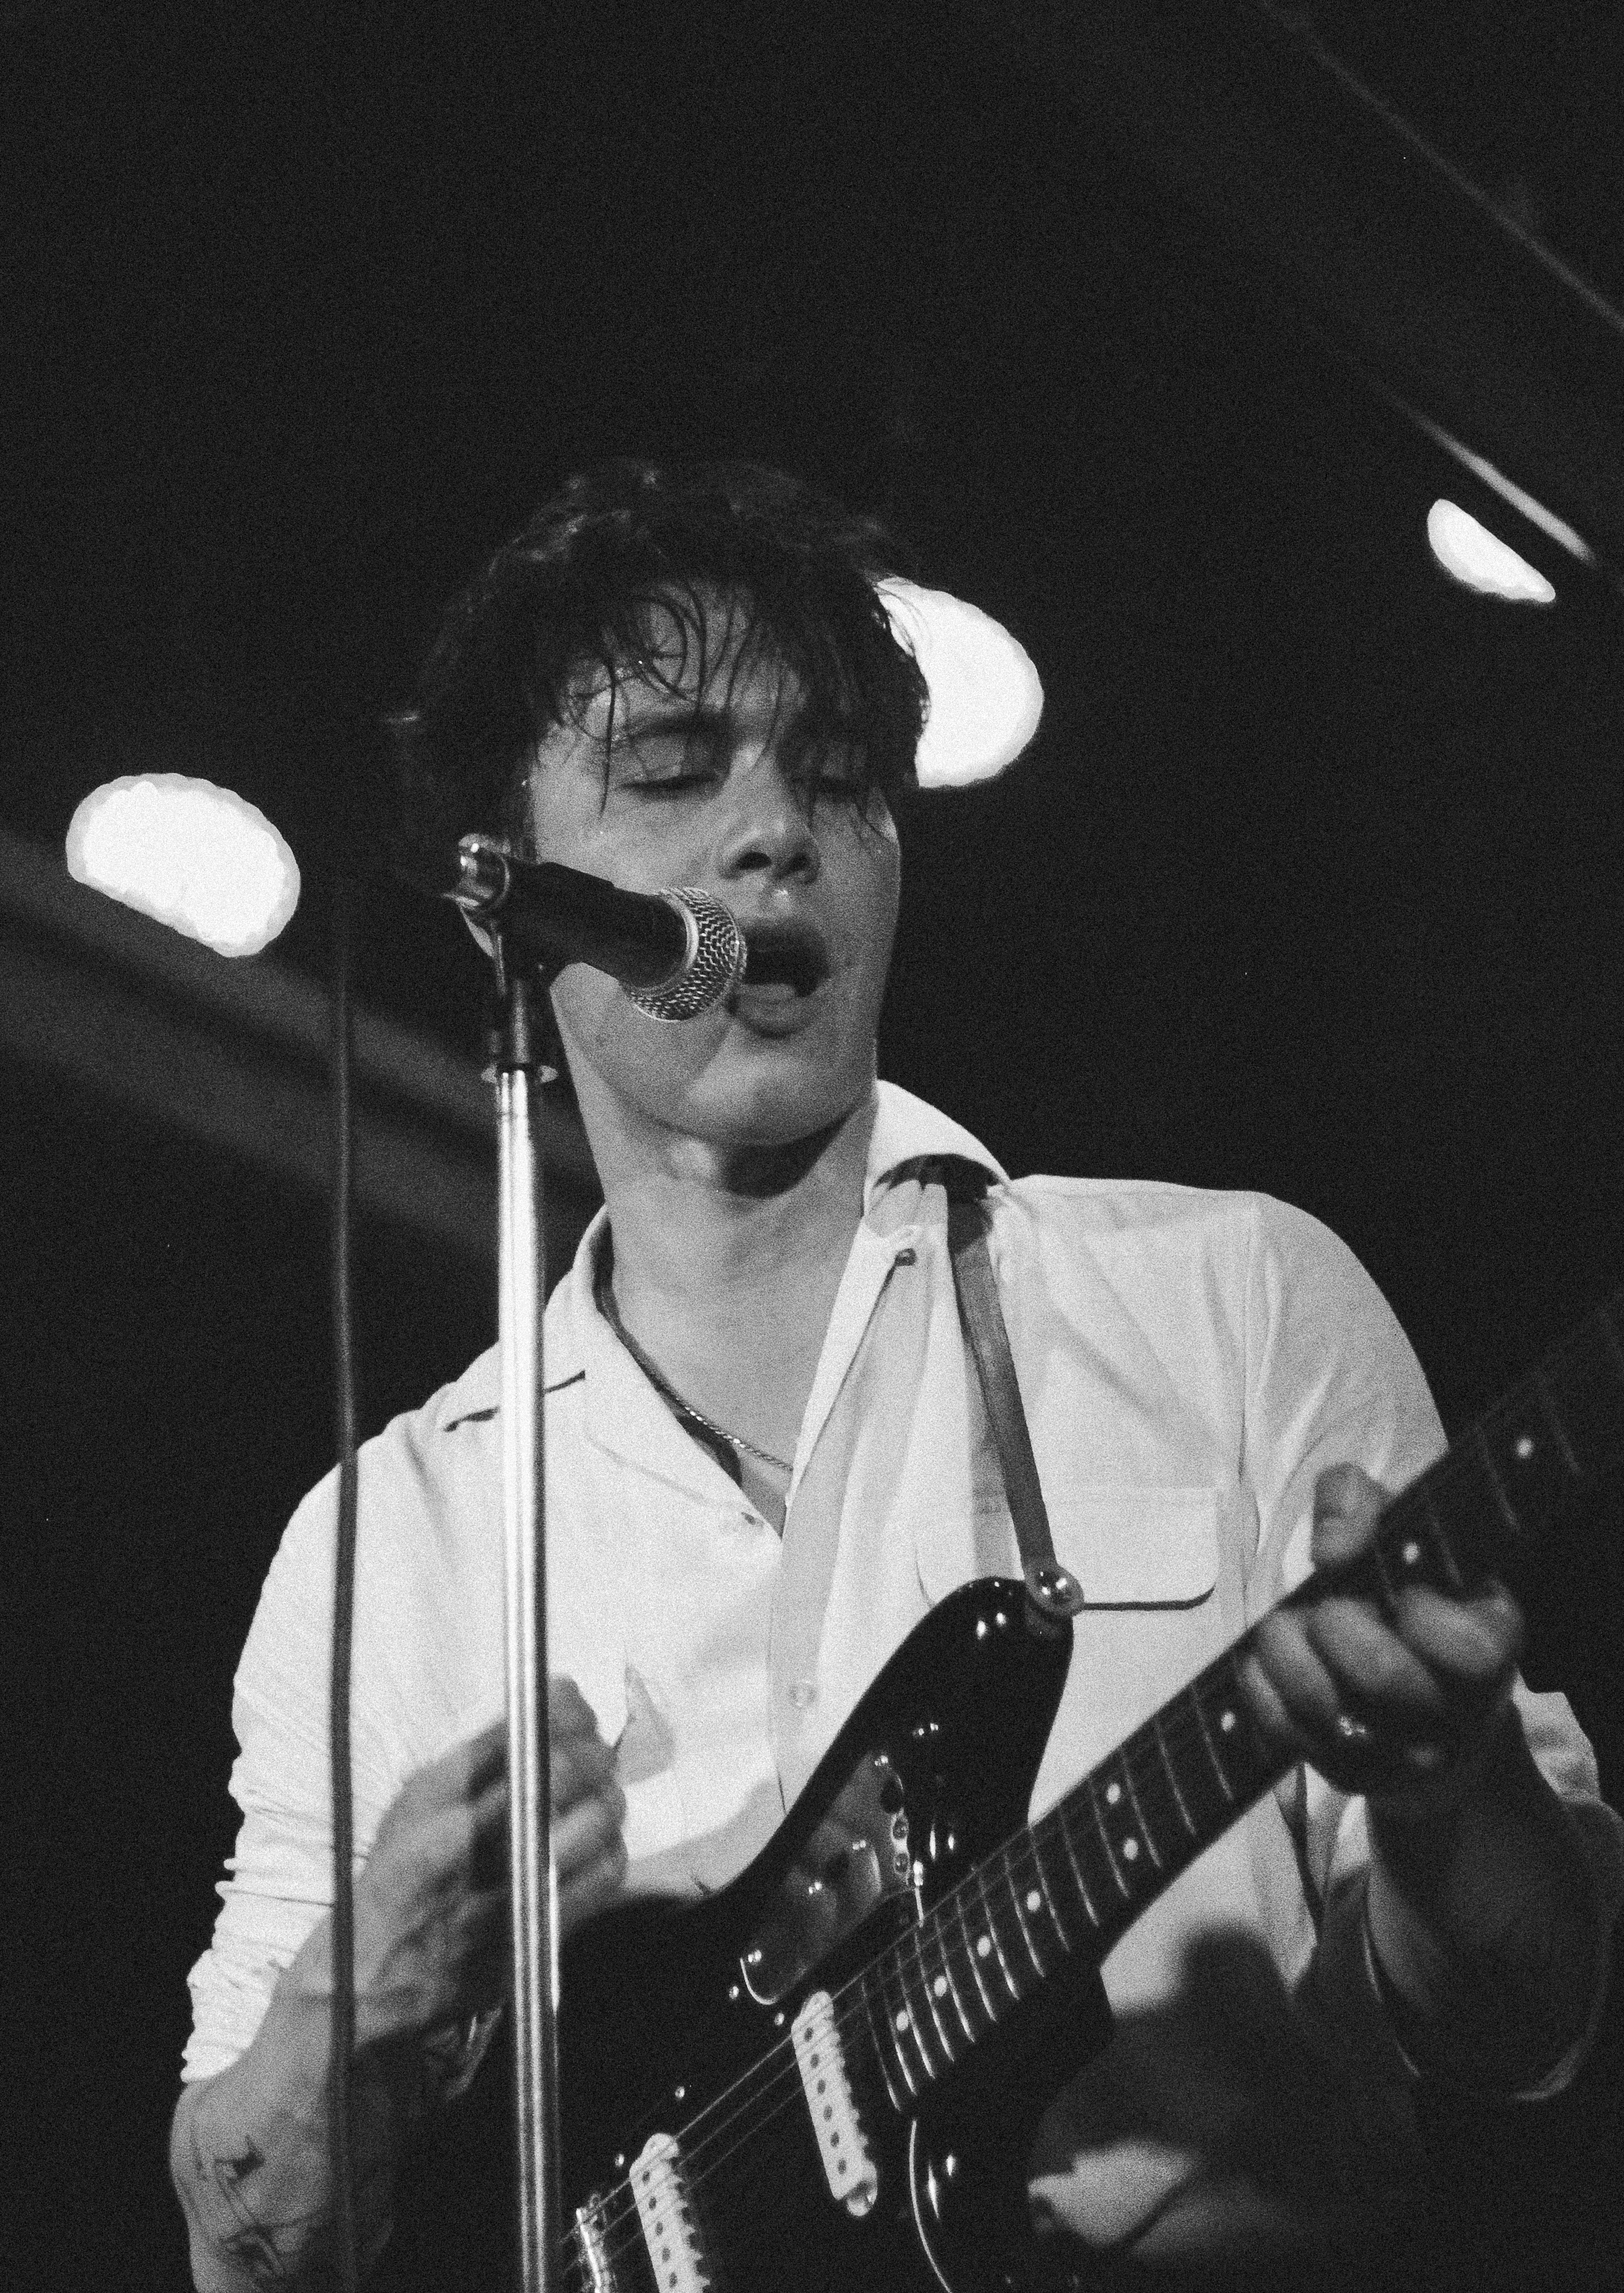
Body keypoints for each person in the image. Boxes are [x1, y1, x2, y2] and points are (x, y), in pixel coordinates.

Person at [170, 460, 1621, 2293]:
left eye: (839, 775)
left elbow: (1528, 2019)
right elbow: (247, 2243)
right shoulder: (400, 1536)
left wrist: (1445, 1784)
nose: (778, 834)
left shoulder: (1233, 1298)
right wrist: (359, 1993)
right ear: (502, 906)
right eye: (675, 770)